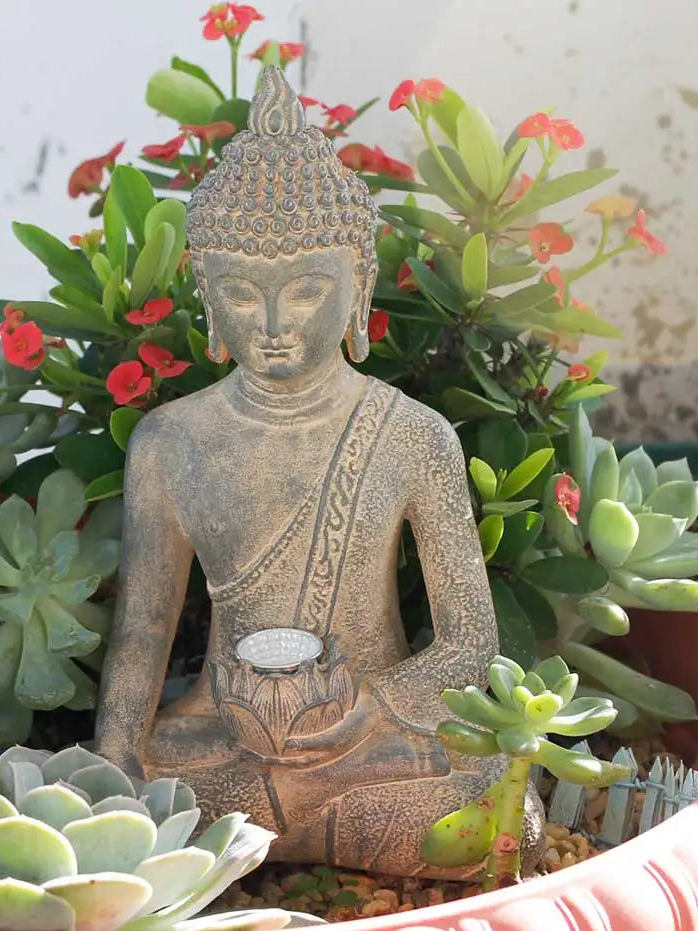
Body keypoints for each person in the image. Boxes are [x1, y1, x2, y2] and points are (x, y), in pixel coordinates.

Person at [95, 66, 543, 876]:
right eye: (239, 291)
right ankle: (271, 826)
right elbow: (142, 633)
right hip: (224, 733)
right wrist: (118, 764)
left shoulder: (413, 436)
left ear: (359, 284)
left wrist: (369, 709)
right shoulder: (170, 442)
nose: (269, 324)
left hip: (374, 739)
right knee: (131, 795)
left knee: (492, 807)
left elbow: (471, 641)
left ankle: (251, 842)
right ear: (207, 298)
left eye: (304, 291)